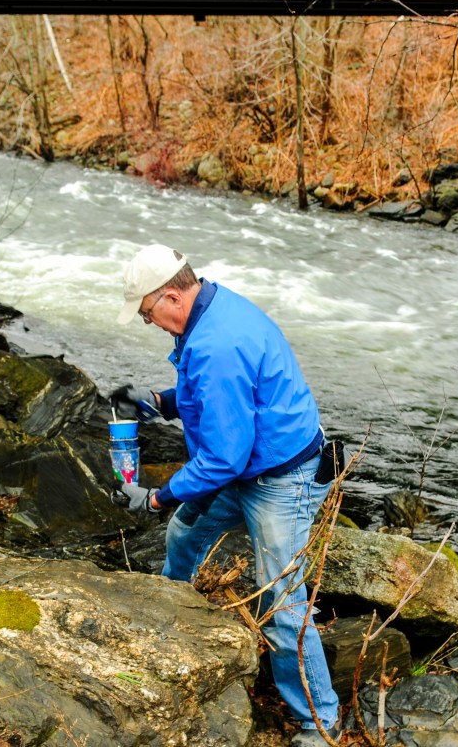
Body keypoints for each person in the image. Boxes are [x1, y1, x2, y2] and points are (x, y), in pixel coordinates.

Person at [110, 243, 341, 745]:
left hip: (282, 479)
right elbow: (215, 398)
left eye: (148, 313)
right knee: (186, 534)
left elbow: (221, 459)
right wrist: (157, 402)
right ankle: (171, 617)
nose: (149, 323)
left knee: (281, 603)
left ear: (172, 296)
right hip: (249, 466)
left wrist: (157, 496)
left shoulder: (217, 343)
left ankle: (319, 723)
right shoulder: (212, 308)